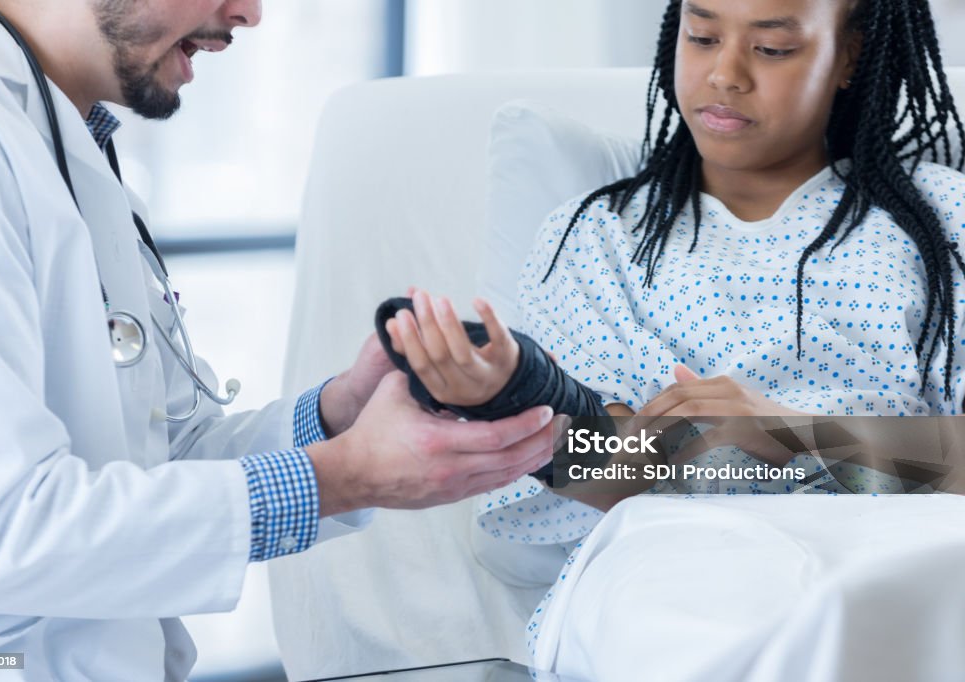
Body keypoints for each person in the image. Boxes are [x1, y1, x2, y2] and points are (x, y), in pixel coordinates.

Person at [0, 0, 557, 679]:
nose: (250, 13)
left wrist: (337, 419)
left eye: (705, 32)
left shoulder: (69, 143)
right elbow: (3, 536)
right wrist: (349, 475)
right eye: (697, 36)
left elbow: (157, 458)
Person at [385, 0, 965, 665]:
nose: (725, 73)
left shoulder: (942, 221)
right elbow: (602, 477)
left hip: (903, 552)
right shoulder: (599, 238)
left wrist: (795, 434)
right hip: (679, 561)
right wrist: (505, 402)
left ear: (851, 56)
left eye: (772, 49)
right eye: (702, 36)